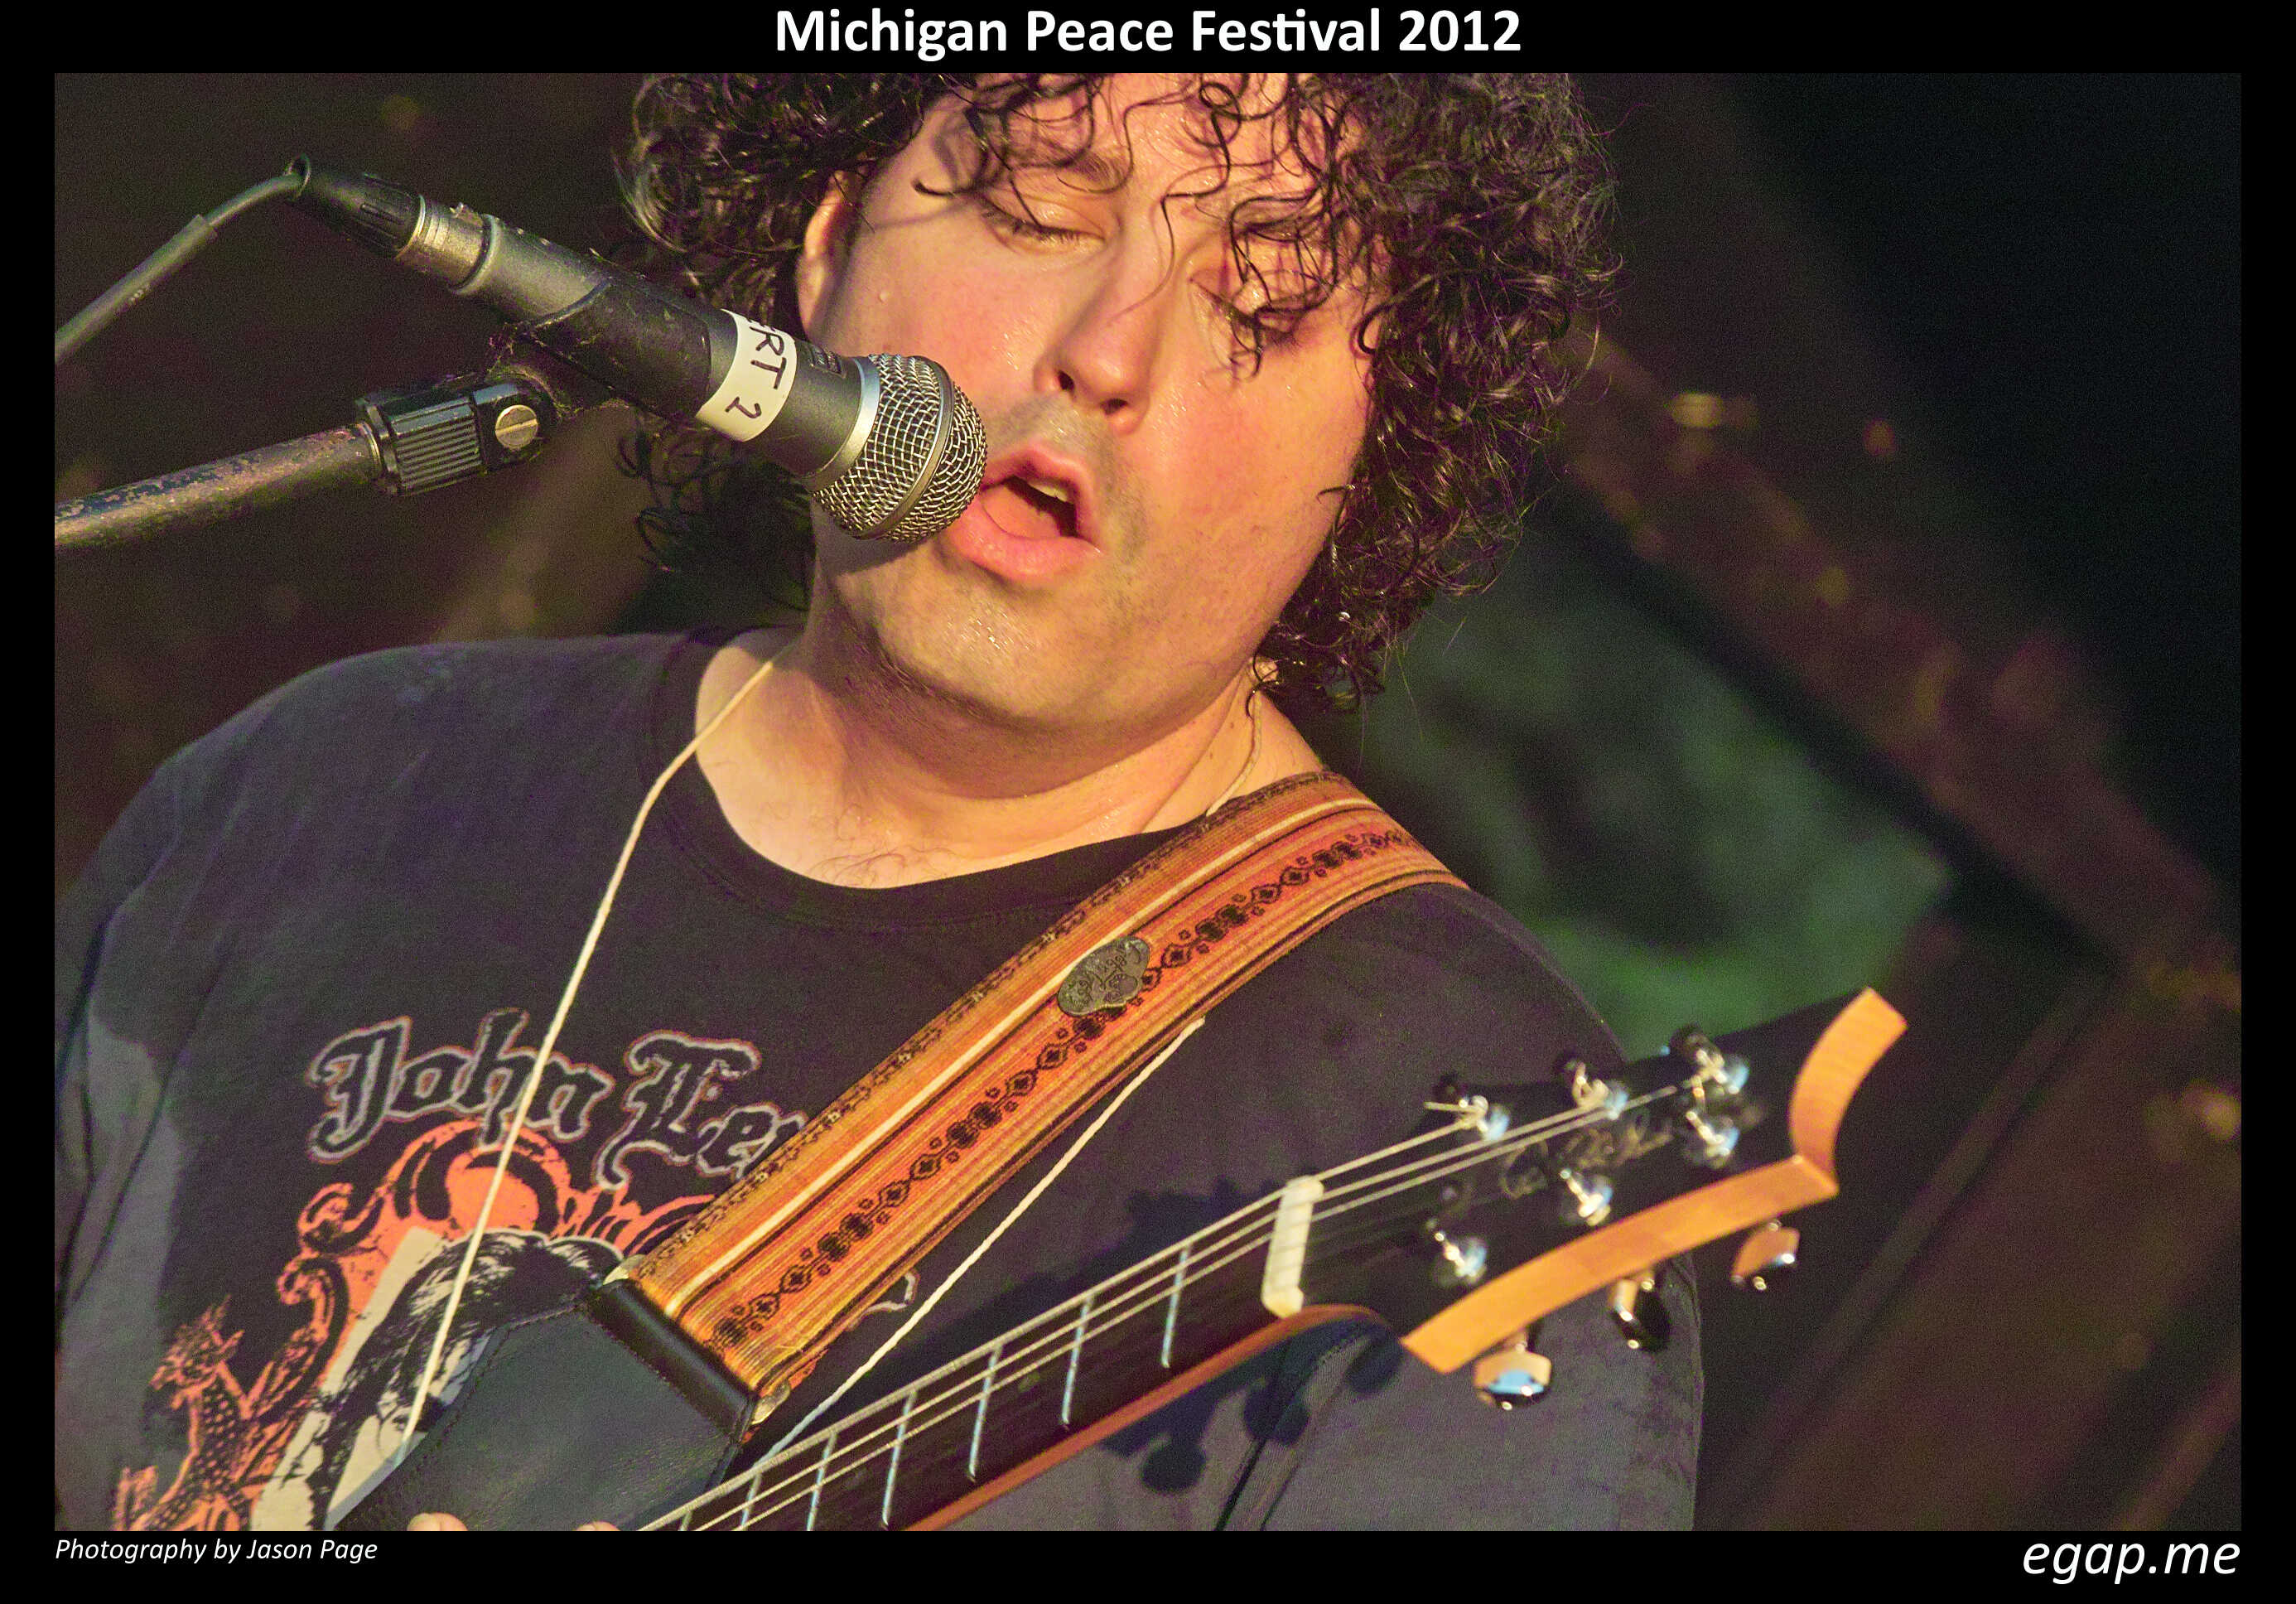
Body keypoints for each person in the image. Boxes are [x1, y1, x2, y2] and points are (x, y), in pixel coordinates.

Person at [55, 73, 1697, 1532]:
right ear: (829, 246)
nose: (1105, 351)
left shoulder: (1470, 1125)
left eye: (1258, 299)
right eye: (1037, 204)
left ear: (1380, 442)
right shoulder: (330, 781)